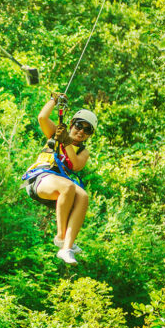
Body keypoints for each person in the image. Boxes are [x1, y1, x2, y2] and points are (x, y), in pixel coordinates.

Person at [22, 94, 97, 264]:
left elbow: (76, 165)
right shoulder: (55, 133)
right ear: (72, 124)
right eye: (79, 126)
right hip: (41, 177)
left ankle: (67, 248)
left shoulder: (82, 151)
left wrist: (67, 142)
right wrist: (53, 100)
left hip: (60, 181)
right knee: (68, 187)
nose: (81, 131)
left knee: (83, 197)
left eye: (87, 130)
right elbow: (42, 117)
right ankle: (61, 236)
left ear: (90, 134)